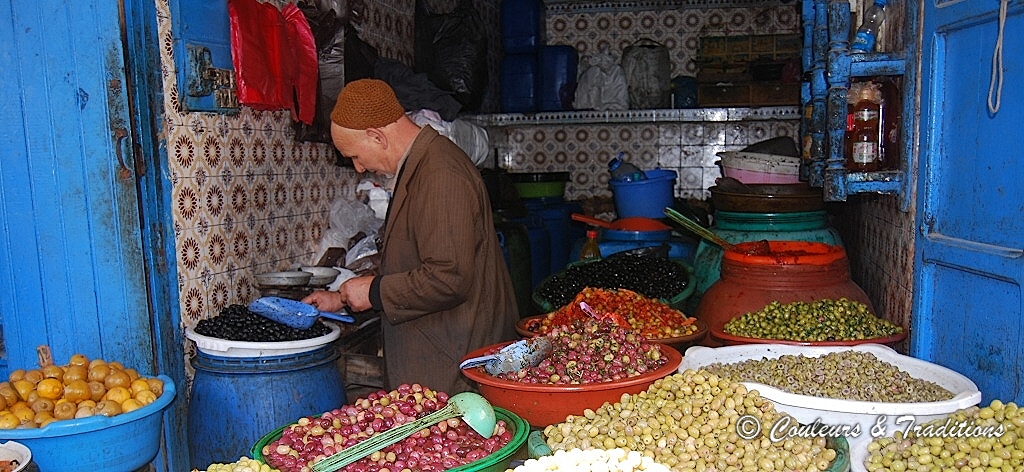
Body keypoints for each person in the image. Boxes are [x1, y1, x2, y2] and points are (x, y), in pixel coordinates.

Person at [303, 79, 520, 395]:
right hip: (441, 352)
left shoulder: (441, 174)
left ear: (377, 136)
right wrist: (342, 299)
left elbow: (448, 278)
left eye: (355, 156)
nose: (359, 168)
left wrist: (375, 291)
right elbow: (416, 259)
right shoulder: (420, 166)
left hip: (455, 365)